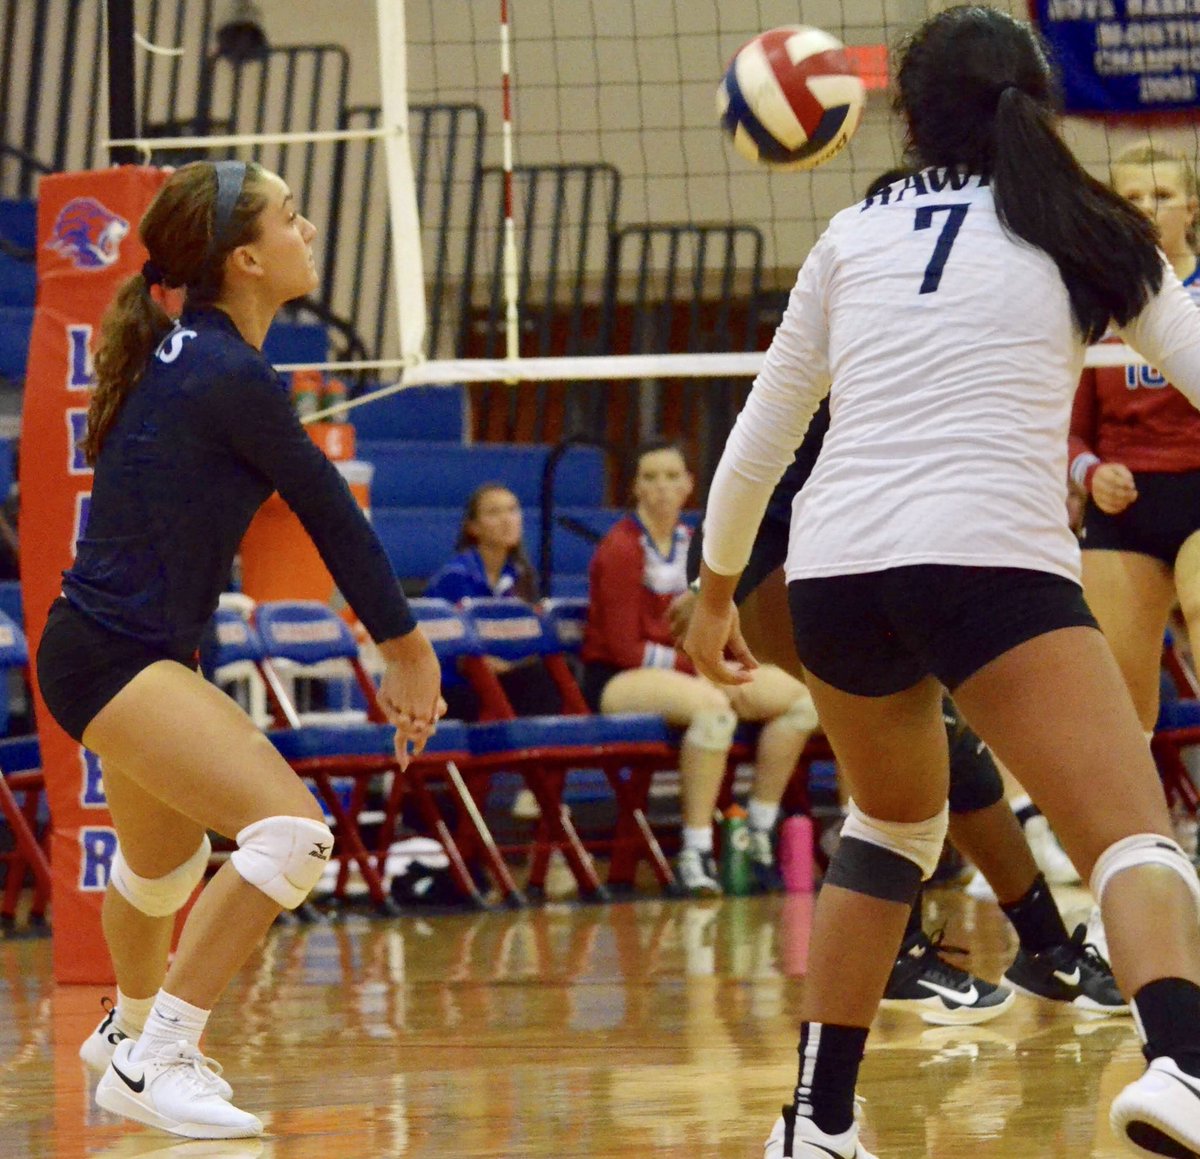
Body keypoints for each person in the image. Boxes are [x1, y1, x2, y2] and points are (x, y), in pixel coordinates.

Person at [683, 9, 1200, 1158]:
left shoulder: (850, 233)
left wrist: (715, 592)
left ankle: (815, 1124)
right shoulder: (1084, 224)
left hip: (835, 573)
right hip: (985, 558)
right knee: (1134, 837)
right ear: (1038, 107)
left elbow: (760, 438)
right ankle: (1185, 1061)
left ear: (909, 120)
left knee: (891, 825)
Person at [40, 160, 444, 1139]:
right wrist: (405, 647)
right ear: (246, 259)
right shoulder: (227, 371)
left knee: (163, 871)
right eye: (290, 216)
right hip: (115, 657)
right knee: (292, 836)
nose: (310, 230)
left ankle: (126, 1029)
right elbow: (329, 512)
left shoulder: (190, 354)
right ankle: (158, 1055)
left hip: (108, 650)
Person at [581, 438, 818, 896]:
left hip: (691, 668)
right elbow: (625, 648)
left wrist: (713, 664)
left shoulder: (696, 544)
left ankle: (759, 829)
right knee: (713, 710)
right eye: (650, 477)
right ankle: (696, 851)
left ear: (689, 485)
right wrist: (703, 666)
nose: (661, 487)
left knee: (800, 701)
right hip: (619, 677)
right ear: (635, 488)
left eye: (672, 476)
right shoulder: (620, 547)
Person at [1070, 142, 1200, 763]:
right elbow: (1067, 431)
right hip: (1125, 505)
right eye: (1133, 197)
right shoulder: (1093, 305)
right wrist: (1091, 474)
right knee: (1118, 704)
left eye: (1163, 195)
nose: (1149, 208)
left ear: (1192, 208)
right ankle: (1136, 823)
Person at [424, 482, 561, 721]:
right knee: (536, 679)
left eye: (512, 510)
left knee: (560, 670)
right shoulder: (455, 577)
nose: (507, 520)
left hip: (503, 679)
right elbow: (457, 657)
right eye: (494, 512)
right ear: (473, 527)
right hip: (454, 688)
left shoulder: (520, 577)